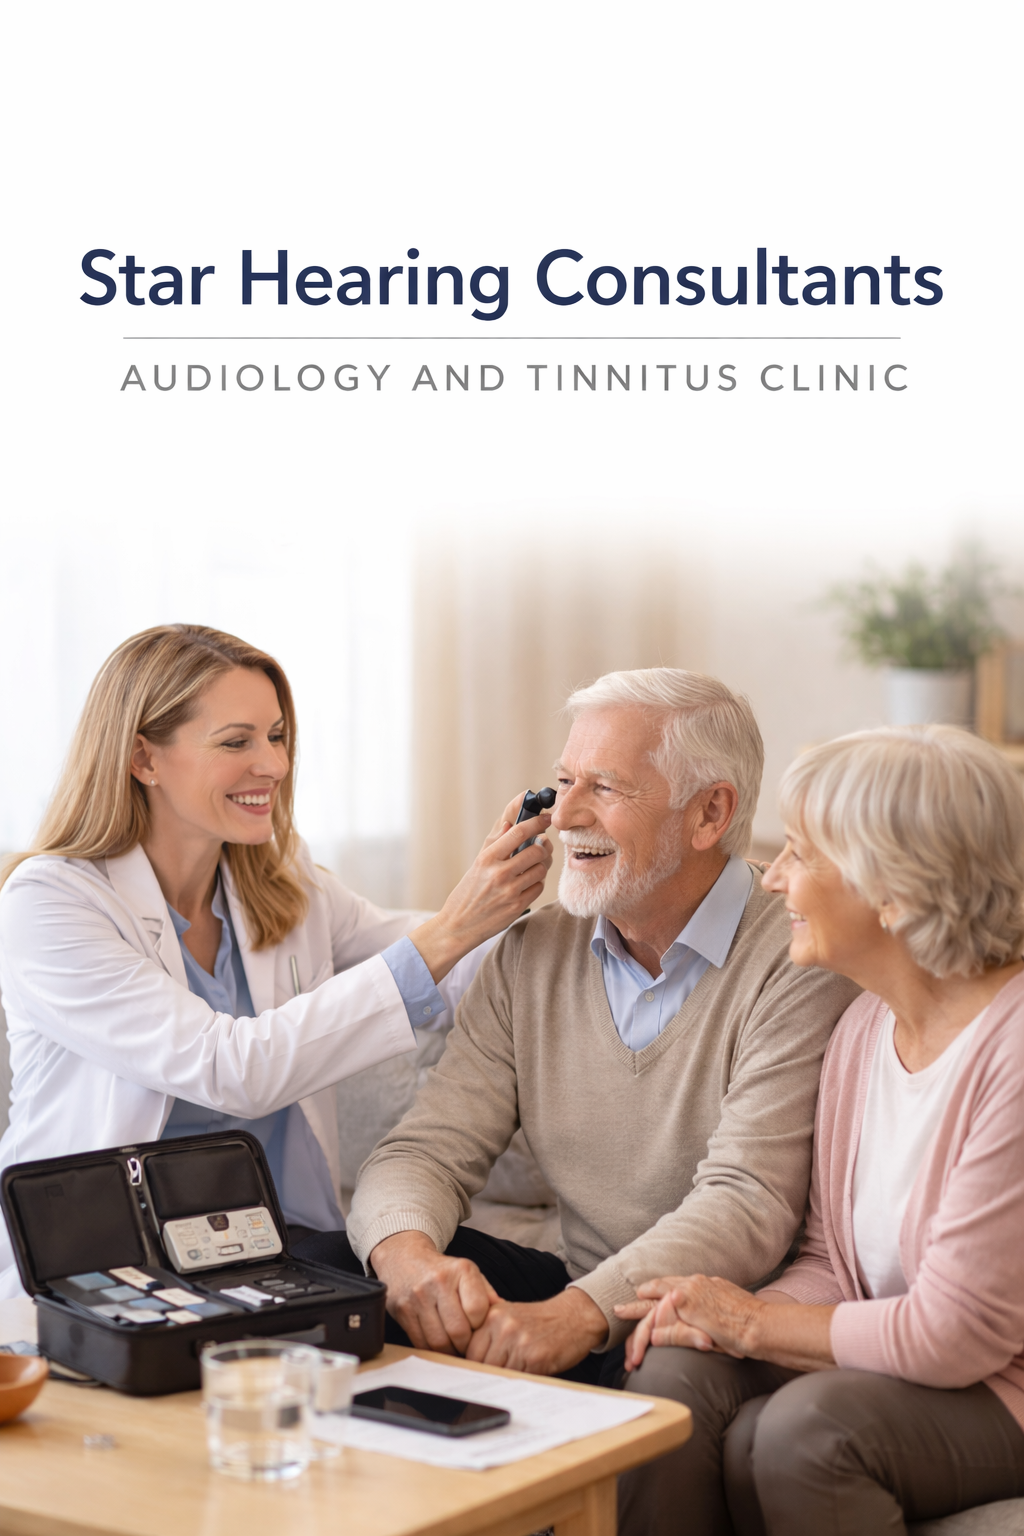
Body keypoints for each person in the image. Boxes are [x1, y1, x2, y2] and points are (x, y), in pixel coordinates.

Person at [0, 624, 553, 1297]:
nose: (274, 765)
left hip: (273, 1246)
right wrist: (453, 929)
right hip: (110, 1266)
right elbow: (230, 1068)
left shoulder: (276, 877)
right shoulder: (51, 901)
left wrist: (577, 934)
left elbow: (431, 954)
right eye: (236, 742)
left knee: (520, 1280)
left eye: (277, 735)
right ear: (143, 757)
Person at [344, 669, 859, 1381]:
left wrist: (578, 1315)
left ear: (710, 814)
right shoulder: (531, 953)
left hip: (725, 1315)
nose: (563, 815)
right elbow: (426, 1147)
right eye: (564, 783)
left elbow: (747, 1201)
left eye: (605, 788)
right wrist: (406, 1259)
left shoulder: (800, 953)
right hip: (584, 1298)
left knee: (671, 1365)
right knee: (335, 1268)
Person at [614, 726, 1024, 1536]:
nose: (773, 881)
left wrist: (755, 1321)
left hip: (998, 1387)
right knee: (675, 1372)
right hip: (898, 1371)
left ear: (895, 889)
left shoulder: (1012, 1050)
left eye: (801, 854)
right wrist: (714, 1316)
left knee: (805, 1433)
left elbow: (955, 1336)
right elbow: (831, 1263)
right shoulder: (864, 1030)